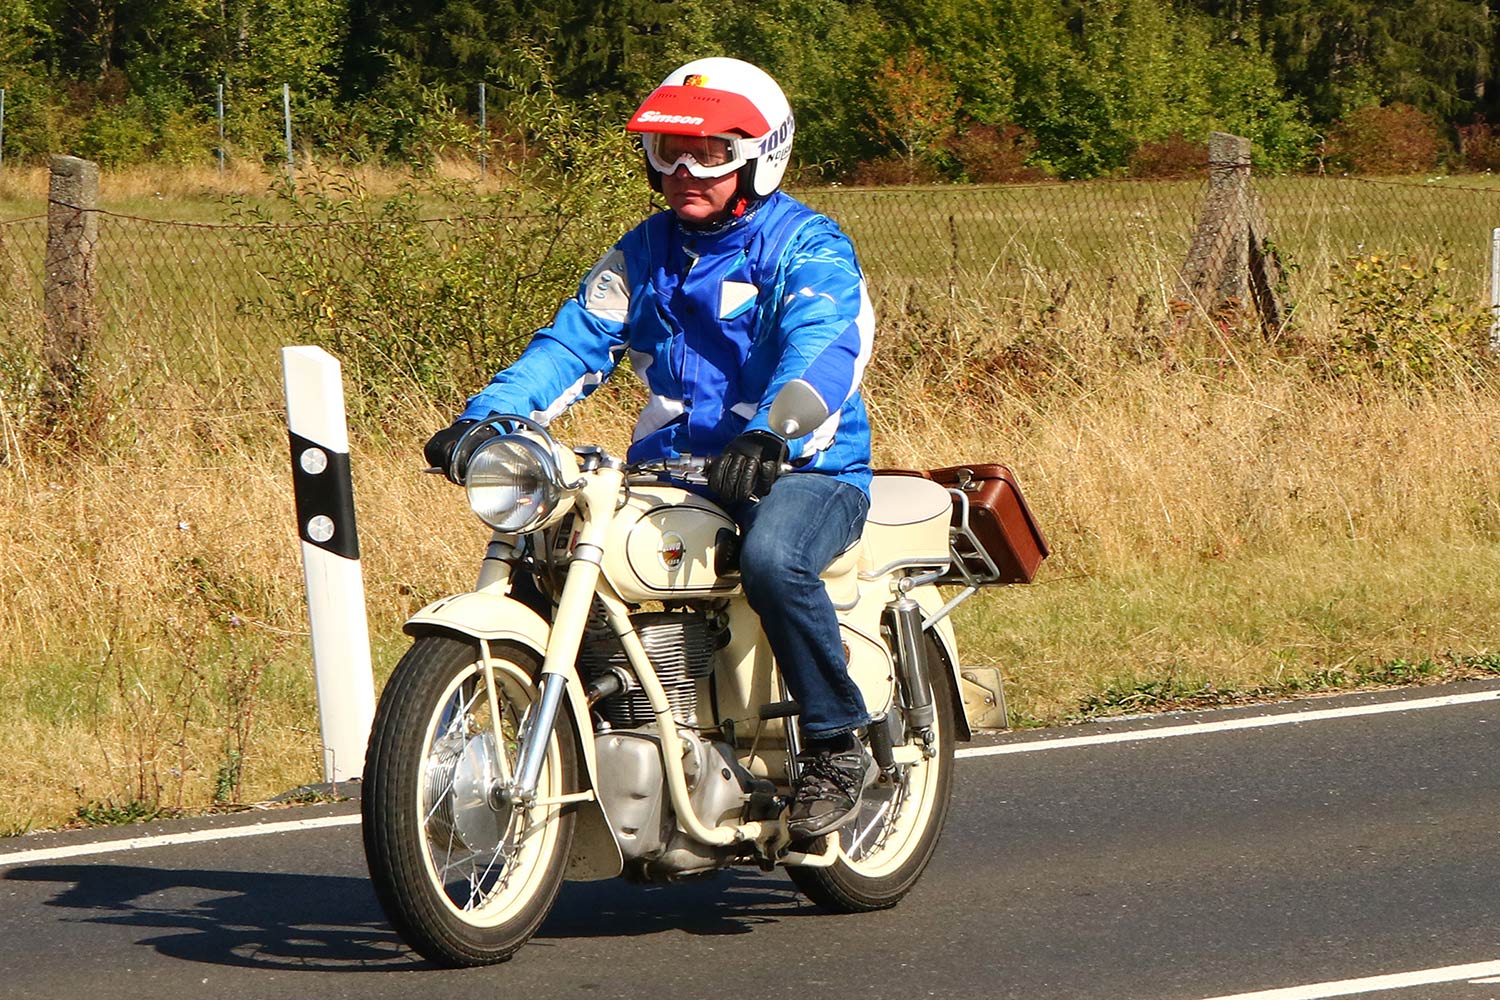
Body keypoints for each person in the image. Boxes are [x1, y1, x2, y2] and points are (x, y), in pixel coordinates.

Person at [424, 57, 877, 839]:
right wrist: (488, 418)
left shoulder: (806, 245)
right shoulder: (642, 253)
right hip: (676, 470)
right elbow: (573, 345)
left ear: (761, 155)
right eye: (669, 152)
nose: (684, 173)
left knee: (773, 559)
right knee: (551, 550)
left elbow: (827, 343)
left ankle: (837, 743)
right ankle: (596, 732)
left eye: (709, 153)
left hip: (804, 467)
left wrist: (774, 430)